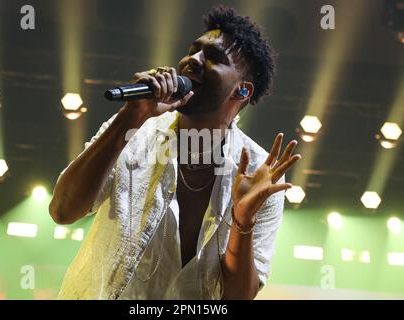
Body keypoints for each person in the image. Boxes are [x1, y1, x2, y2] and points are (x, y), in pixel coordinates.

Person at [49, 5, 301, 300]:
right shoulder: (135, 132)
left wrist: (243, 222)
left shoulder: (259, 174)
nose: (192, 60)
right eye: (193, 50)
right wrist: (127, 119)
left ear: (242, 91)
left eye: (213, 58)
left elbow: (237, 297)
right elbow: (63, 211)